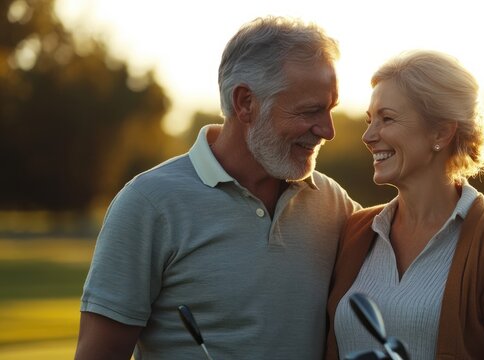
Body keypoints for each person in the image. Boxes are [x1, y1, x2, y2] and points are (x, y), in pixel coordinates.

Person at [75, 16, 360, 360]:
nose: (327, 131)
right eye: (311, 111)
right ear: (245, 103)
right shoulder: (148, 204)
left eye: (329, 109)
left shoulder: (335, 204)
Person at [325, 50, 484, 359]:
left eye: (386, 118)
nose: (368, 135)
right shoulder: (356, 231)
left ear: (441, 132)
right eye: (369, 120)